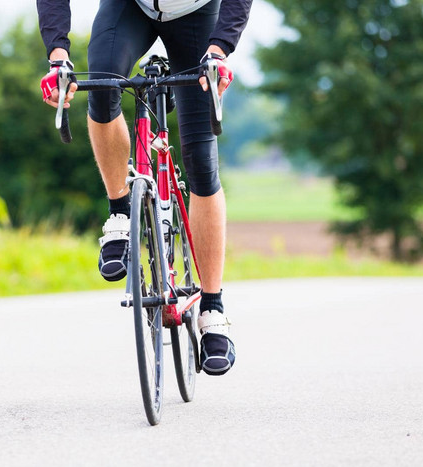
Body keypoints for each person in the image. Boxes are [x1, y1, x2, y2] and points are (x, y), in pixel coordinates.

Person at [37, 0, 251, 376]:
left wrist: (220, 49)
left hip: (196, 14)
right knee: (101, 90)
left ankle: (212, 309)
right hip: (129, 8)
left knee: (200, 157)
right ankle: (121, 212)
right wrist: (58, 57)